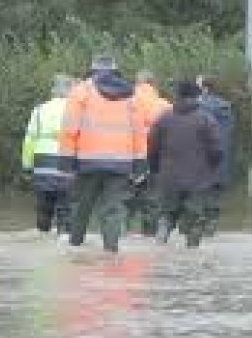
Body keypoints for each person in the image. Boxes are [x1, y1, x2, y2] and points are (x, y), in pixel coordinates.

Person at [59, 54, 147, 253]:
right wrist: (140, 165)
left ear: (92, 71)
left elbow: (69, 129)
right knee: (113, 209)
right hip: (122, 163)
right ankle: (111, 252)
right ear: (116, 71)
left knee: (82, 206)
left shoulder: (81, 91)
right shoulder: (131, 94)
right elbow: (139, 132)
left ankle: (74, 248)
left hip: (87, 162)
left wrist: (66, 163)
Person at [148, 80, 222, 248]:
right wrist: (211, 168)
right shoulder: (206, 119)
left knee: (167, 214)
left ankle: (160, 241)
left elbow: (152, 148)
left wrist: (155, 169)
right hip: (198, 180)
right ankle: (191, 255)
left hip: (169, 179)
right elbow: (217, 150)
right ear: (197, 96)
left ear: (177, 96)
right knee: (195, 220)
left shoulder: (163, 118)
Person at [21, 74, 77, 235]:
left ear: (53, 90)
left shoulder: (38, 110)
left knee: (44, 208)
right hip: (67, 164)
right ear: (71, 90)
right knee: (65, 209)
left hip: (42, 165)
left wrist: (26, 166)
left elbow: (29, 140)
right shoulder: (75, 110)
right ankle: (64, 242)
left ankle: (41, 236)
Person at [125, 69, 173, 236]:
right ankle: (150, 237)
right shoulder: (166, 105)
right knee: (152, 201)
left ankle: (118, 239)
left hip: (129, 158)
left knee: (124, 200)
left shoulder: (125, 102)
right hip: (156, 159)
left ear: (136, 83)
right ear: (154, 84)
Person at [195, 74, 234, 237]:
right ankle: (211, 229)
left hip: (201, 161)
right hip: (221, 161)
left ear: (204, 88)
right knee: (214, 199)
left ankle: (198, 233)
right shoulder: (226, 108)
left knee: (197, 201)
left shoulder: (199, 106)